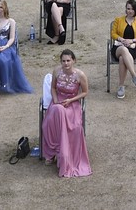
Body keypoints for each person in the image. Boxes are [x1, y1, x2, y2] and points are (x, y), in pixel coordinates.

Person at [41, 49, 91, 177]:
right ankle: (54, 152)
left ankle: (63, 154)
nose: (66, 63)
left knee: (73, 127)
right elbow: (53, 87)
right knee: (55, 113)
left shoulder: (80, 75)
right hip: (58, 101)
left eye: (68, 60)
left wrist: (71, 100)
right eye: (63, 61)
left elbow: (85, 92)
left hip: (72, 104)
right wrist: (56, 100)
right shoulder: (56, 71)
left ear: (74, 60)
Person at [109, 0, 136, 99]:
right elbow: (113, 33)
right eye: (128, 9)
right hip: (118, 47)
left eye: (132, 9)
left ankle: (121, 87)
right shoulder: (118, 20)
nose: (129, 11)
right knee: (122, 50)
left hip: (131, 48)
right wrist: (122, 39)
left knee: (123, 58)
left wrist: (132, 40)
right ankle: (134, 76)